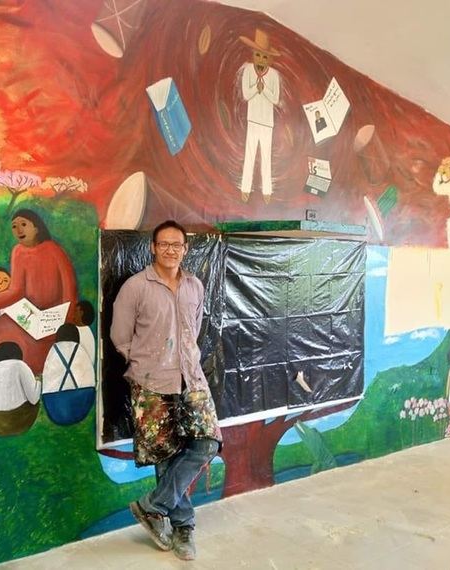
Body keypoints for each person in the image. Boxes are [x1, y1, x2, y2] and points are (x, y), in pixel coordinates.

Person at [111, 220, 222, 561]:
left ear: (185, 250)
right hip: (152, 381)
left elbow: (195, 329)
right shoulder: (135, 287)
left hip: (192, 378)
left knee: (207, 442)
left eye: (177, 245)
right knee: (166, 455)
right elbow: (120, 337)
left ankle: (152, 506)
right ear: (153, 248)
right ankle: (183, 527)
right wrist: (146, 363)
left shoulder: (194, 285)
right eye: (164, 244)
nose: (171, 250)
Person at [0, 209, 77, 373]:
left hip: (54, 315)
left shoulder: (54, 250)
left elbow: (70, 291)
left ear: (36, 228)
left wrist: (66, 321)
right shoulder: (17, 252)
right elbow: (15, 291)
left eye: (23, 224)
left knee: (31, 344)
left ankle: (27, 376)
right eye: (14, 226)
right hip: (28, 314)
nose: (19, 230)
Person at [238, 29, 281, 203]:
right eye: (258, 55)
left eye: (264, 56)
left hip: (267, 123)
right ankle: (245, 188)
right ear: (253, 54)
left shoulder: (274, 75)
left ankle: (267, 191)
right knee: (249, 154)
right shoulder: (248, 70)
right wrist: (257, 88)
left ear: (269, 58)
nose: (261, 59)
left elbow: (275, 99)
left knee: (265, 157)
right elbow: (246, 95)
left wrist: (265, 90)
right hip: (253, 119)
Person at [0, 342, 41, 436]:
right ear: (19, 354)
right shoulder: (20, 365)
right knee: (34, 392)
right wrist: (39, 381)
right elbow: (34, 399)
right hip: (15, 422)